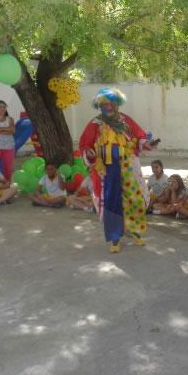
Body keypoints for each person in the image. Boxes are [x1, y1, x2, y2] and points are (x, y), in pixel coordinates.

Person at [79, 89, 154, 253]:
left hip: (128, 165)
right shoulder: (94, 124)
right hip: (106, 169)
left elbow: (139, 136)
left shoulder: (126, 120)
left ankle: (135, 232)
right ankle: (114, 238)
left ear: (117, 104)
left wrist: (145, 143)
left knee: (134, 198)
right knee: (112, 201)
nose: (109, 107)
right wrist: (89, 153)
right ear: (99, 106)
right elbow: (85, 145)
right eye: (105, 104)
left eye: (112, 103)